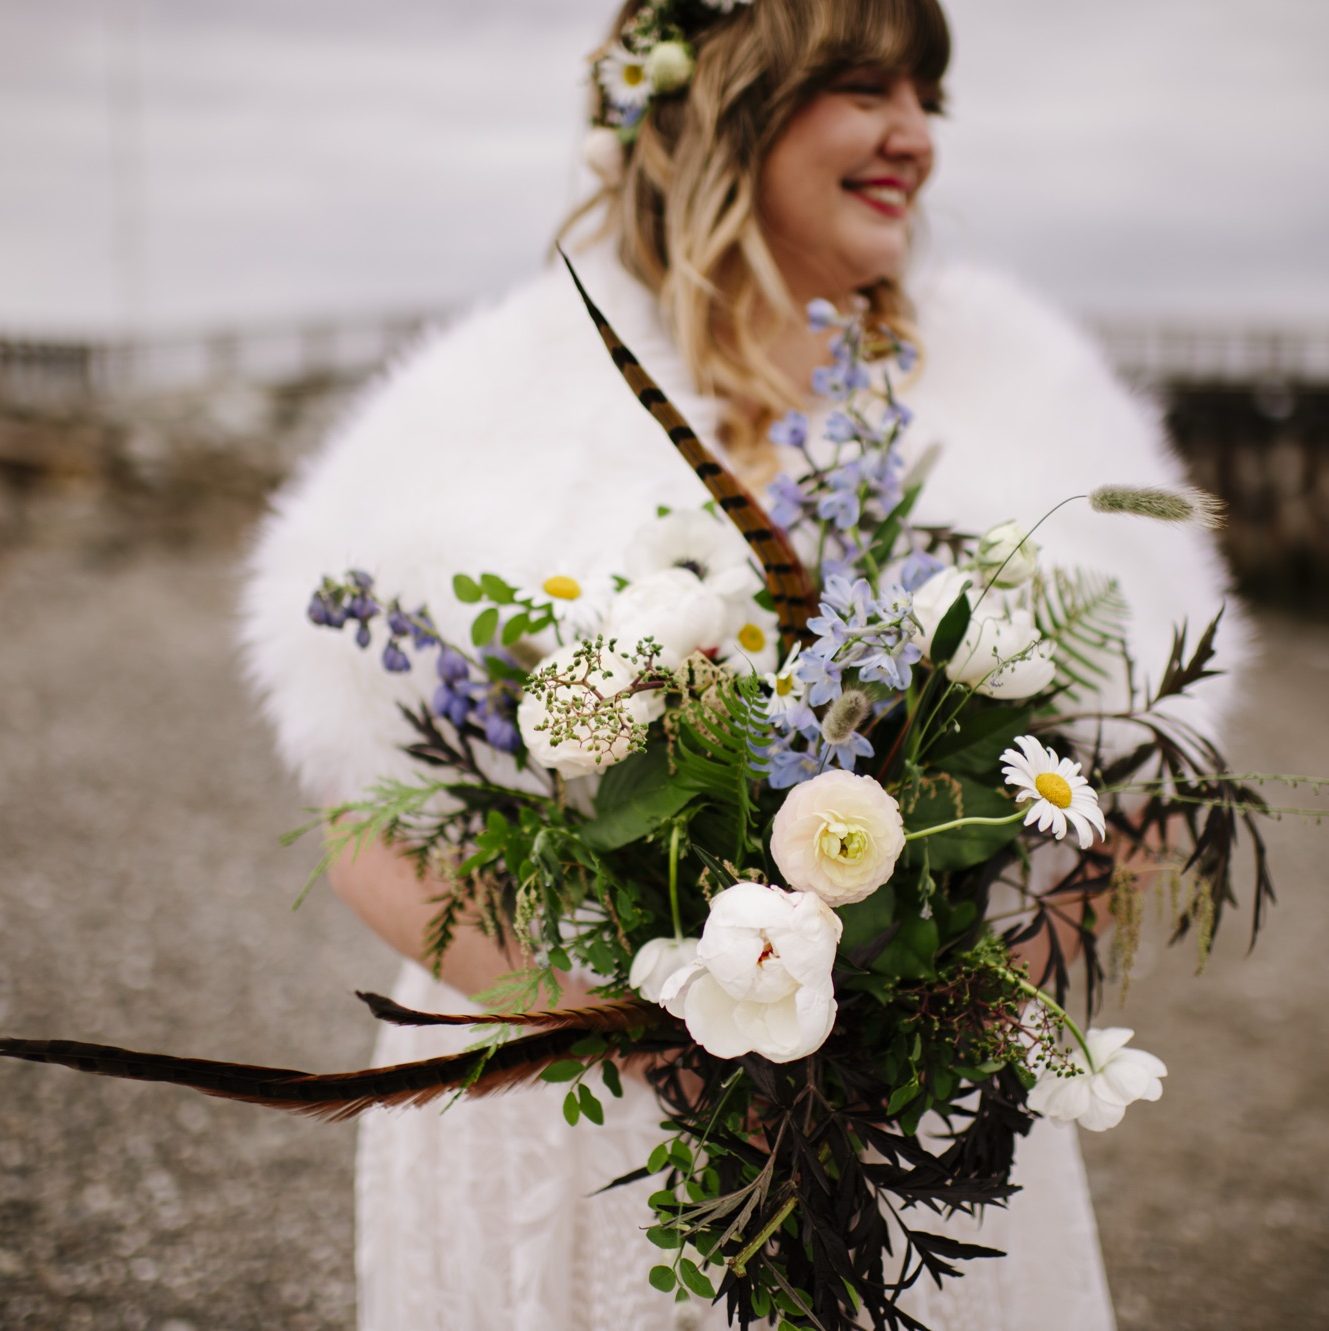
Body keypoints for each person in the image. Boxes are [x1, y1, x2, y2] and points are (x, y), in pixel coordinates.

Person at [241, 1, 1245, 1327]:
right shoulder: (489, 413)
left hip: (909, 1127)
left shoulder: (1026, 405)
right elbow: (360, 798)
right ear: (725, 106)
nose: (911, 137)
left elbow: (1137, 795)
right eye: (860, 87)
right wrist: (607, 1019)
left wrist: (947, 1006)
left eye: (925, 98)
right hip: (572, 1119)